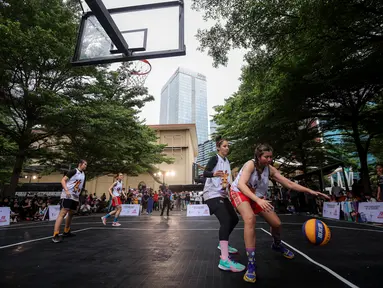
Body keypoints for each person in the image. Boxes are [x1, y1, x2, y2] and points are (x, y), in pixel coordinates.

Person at [230, 144, 330, 283]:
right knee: (249, 218)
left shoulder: (270, 170)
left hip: (256, 197)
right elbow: (241, 184)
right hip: (240, 192)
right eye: (266, 157)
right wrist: (258, 200)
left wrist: (310, 191)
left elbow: (288, 183)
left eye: (271, 157)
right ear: (259, 157)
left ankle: (276, 244)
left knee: (276, 223)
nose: (269, 159)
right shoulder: (250, 165)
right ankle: (251, 264)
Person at [203, 136, 245, 273]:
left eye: (228, 146)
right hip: (211, 194)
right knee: (226, 221)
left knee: (234, 219)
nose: (227, 148)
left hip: (222, 194)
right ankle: (224, 260)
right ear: (218, 147)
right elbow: (204, 173)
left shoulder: (227, 161)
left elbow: (227, 180)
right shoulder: (215, 159)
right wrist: (213, 173)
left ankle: (223, 245)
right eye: (224, 146)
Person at [52, 159, 87, 243]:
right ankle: (55, 234)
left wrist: (79, 196)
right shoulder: (73, 171)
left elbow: (80, 186)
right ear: (80, 164)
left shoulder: (83, 174)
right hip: (68, 194)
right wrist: (67, 190)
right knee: (63, 212)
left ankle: (66, 231)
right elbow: (63, 180)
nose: (86, 166)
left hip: (75, 196)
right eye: (85, 164)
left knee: (71, 213)